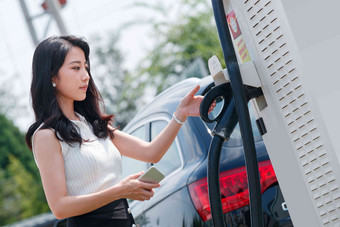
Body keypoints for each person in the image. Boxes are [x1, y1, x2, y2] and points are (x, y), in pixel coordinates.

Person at [25, 35, 215, 226]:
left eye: (86, 67)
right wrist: (121, 190)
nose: (86, 76)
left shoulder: (92, 124)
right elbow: (59, 207)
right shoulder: (46, 136)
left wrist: (180, 114)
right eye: (76, 68)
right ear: (51, 75)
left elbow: (151, 152)